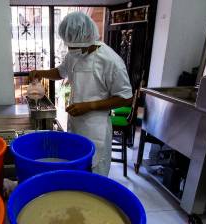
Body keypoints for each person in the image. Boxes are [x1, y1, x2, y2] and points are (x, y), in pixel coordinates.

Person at [30, 12, 132, 176]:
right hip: (76, 124)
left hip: (96, 128)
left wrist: (90, 106)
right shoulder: (74, 54)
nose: (71, 50)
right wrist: (39, 73)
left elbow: (126, 98)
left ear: (88, 38)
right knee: (75, 169)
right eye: (69, 45)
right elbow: (60, 72)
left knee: (93, 171)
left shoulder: (111, 61)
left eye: (75, 46)